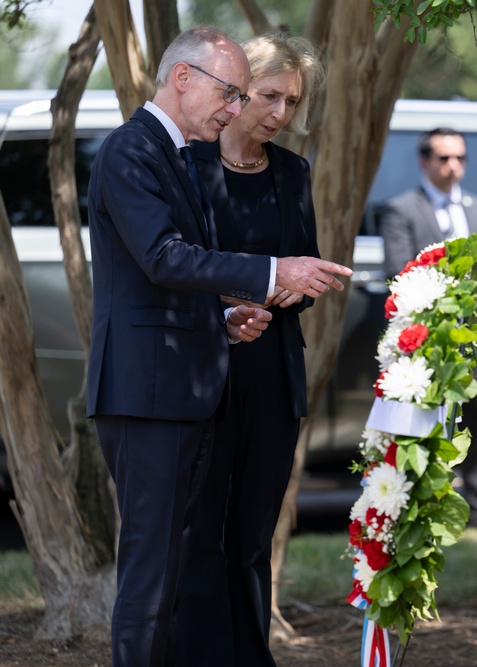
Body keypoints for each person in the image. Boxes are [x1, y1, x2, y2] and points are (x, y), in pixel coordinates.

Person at [86, 27, 351, 667]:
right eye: (230, 94)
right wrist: (271, 273)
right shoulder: (133, 151)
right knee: (154, 576)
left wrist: (226, 320)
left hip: (191, 382)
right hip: (150, 393)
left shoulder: (172, 154)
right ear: (183, 78)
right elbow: (164, 258)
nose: (236, 110)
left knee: (175, 564)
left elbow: (183, 279)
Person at [174, 33, 326, 666]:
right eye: (270, 96)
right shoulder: (187, 163)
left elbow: (305, 269)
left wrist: (295, 291)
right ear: (237, 92)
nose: (281, 115)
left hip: (273, 372)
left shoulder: (292, 171)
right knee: (199, 528)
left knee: (252, 531)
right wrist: (234, 300)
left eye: (292, 101)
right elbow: (173, 267)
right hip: (202, 368)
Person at [380, 127, 477, 529]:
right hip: (426, 342)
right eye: (444, 158)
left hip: (473, 341)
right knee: (427, 426)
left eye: (460, 158)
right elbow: (399, 271)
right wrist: (442, 313)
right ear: (424, 161)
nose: (454, 167)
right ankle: (427, 511)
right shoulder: (402, 209)